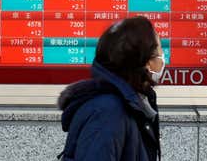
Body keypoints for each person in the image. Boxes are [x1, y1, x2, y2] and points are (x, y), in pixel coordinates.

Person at [58, 16, 164, 161]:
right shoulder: (108, 112)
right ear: (146, 62)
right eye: (159, 51)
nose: (163, 58)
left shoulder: (131, 106)